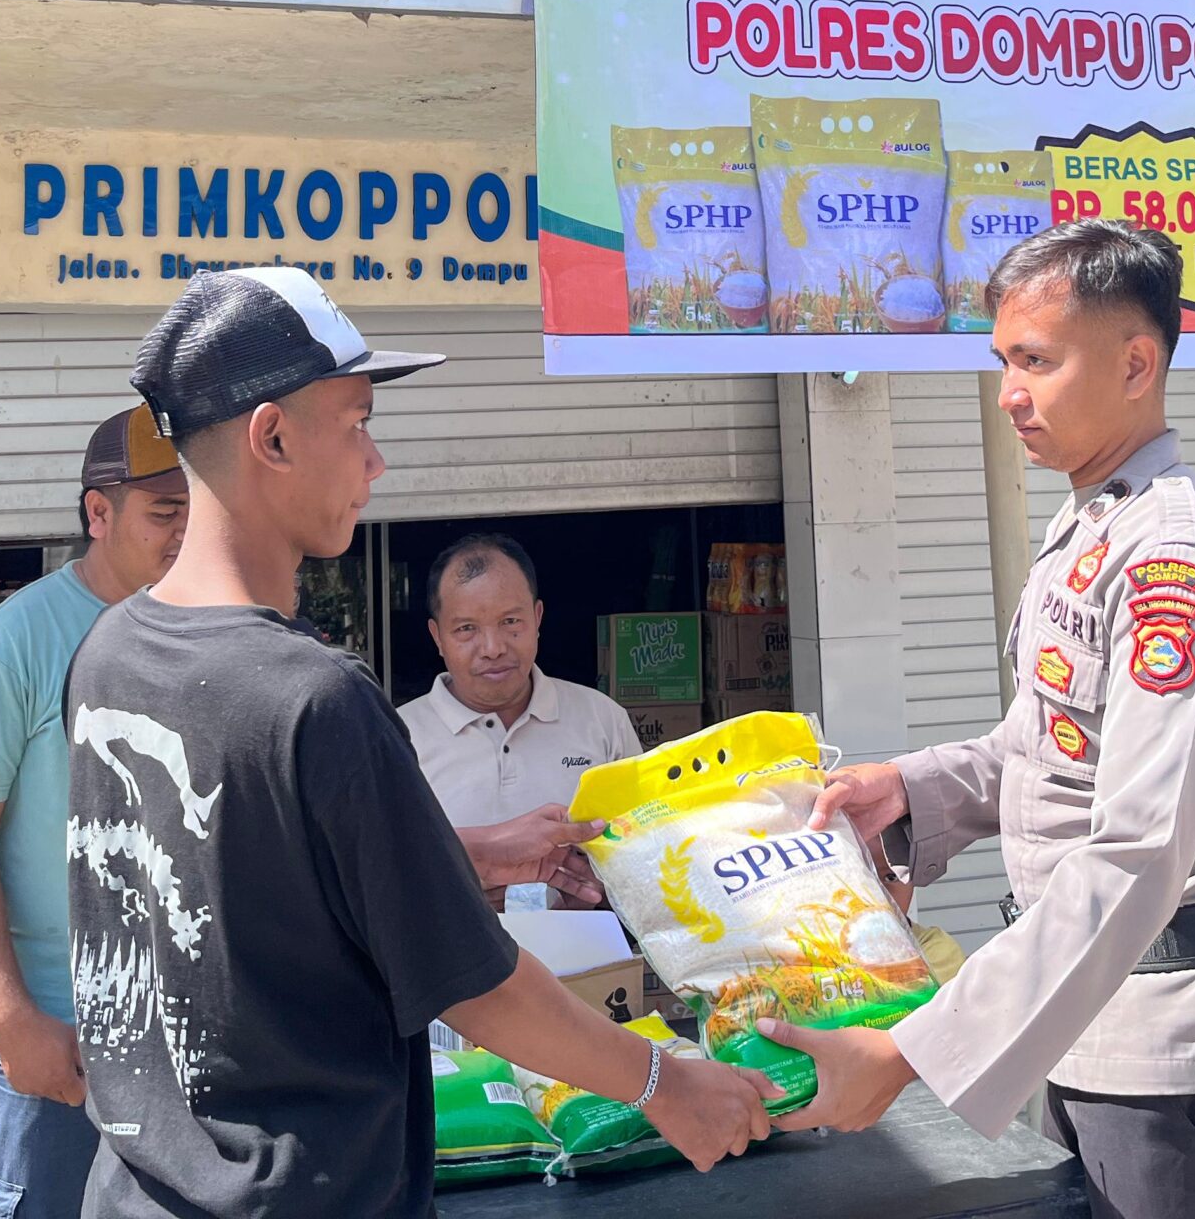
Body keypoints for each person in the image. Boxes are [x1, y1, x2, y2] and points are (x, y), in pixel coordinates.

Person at [63, 268, 772, 1218]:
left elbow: (255, 892)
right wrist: (666, 1084)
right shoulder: (317, 698)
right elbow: (476, 984)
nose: (377, 461)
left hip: (136, 1190)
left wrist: (469, 855)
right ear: (272, 437)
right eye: (357, 424)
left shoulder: (109, 654)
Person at [765, 218, 1195, 1219]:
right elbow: (1048, 749)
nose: (1007, 394)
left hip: (1178, 1069)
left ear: (1136, 363)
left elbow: (1138, 852)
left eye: (1036, 361)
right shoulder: (1093, 524)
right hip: (1095, 1032)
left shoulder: (1174, 562)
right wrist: (906, 791)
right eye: (1002, 362)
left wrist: (910, 1051)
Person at [0, 406, 191, 1219]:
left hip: (188, 1044)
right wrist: (12, 1020)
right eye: (164, 512)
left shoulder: (212, 631)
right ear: (98, 513)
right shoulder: (13, 645)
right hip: (56, 1045)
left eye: (200, 510)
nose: (186, 532)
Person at [399, 532, 642, 907]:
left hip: (586, 944)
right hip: (448, 947)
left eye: (510, 621)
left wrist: (602, 885)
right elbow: (377, 873)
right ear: (438, 637)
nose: (493, 648)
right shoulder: (396, 738)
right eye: (466, 629)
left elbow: (649, 853)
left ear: (537, 617)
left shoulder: (602, 719)